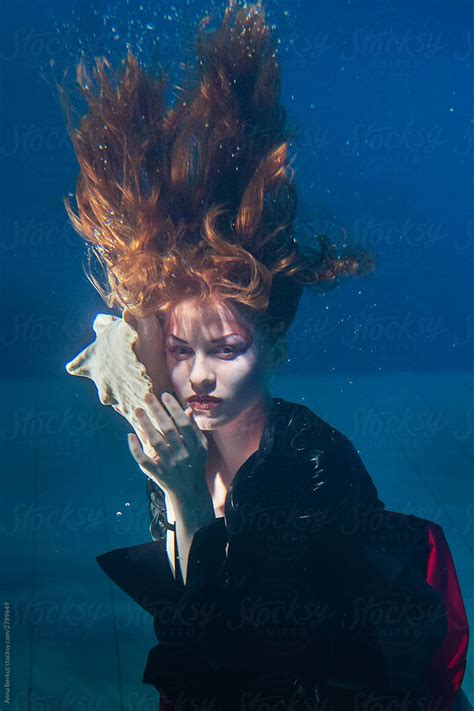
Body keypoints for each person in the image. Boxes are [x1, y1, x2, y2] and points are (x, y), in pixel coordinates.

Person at [57, 1, 459, 708]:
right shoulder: (184, 437)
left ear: (273, 342)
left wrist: (183, 491)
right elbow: (190, 606)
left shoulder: (313, 463)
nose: (200, 374)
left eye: (228, 348)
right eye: (182, 350)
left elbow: (234, 649)